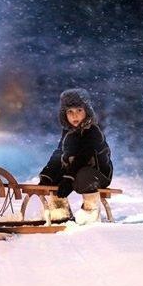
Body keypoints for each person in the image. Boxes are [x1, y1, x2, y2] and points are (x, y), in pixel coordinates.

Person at [38, 88, 113, 225]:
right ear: (64, 114)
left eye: (79, 110)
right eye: (70, 112)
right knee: (56, 176)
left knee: (83, 175)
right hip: (75, 172)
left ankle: (90, 211)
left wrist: (69, 178)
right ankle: (60, 212)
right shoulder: (68, 133)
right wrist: (47, 175)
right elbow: (59, 154)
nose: (75, 116)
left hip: (97, 174)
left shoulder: (92, 131)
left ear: (87, 111)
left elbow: (84, 156)